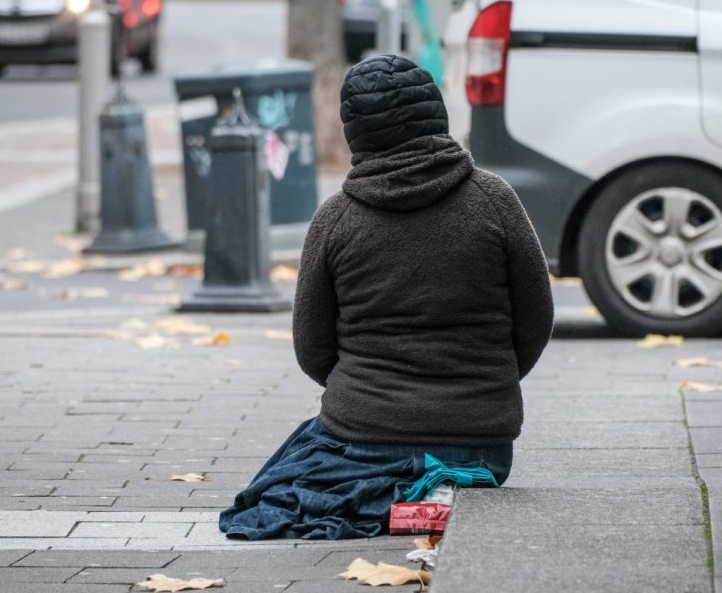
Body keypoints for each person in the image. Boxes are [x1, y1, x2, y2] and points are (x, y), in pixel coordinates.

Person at [219, 54, 553, 541]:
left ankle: (398, 493)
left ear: (356, 132)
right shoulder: (495, 199)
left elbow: (311, 349)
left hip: (361, 439)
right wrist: (483, 382)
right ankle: (437, 486)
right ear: (436, 113)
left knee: (270, 497)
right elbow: (536, 321)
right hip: (481, 446)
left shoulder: (335, 218)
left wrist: (370, 398)